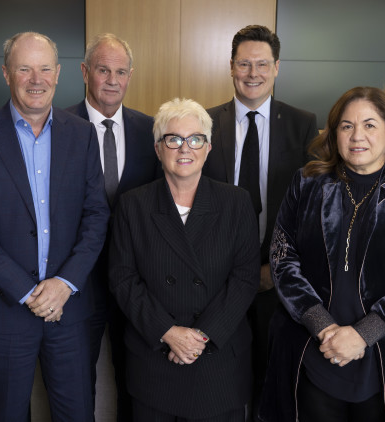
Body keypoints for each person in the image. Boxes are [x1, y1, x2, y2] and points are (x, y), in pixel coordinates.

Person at [258, 87, 385, 422]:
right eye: (346, 126)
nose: (357, 135)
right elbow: (282, 258)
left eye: (370, 125)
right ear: (335, 134)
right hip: (315, 348)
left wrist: (364, 333)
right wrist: (323, 327)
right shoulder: (307, 183)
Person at [0, 31, 110, 421]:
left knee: (77, 414)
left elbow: (96, 215)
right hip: (4, 311)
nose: (36, 79)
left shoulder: (82, 134)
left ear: (58, 73)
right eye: (24, 69)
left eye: (44, 69)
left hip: (68, 310)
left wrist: (64, 283)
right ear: (7, 73)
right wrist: (27, 291)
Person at [109, 98, 260, 421]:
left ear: (208, 148)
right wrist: (168, 332)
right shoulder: (133, 205)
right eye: (173, 139)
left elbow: (245, 278)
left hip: (217, 359)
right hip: (155, 359)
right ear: (158, 149)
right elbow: (123, 279)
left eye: (195, 139)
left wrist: (201, 336)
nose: (184, 148)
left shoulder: (236, 203)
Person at [201, 24, 317, 416]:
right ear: (231, 67)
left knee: (272, 383)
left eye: (262, 64)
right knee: (220, 382)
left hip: (276, 282)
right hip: (216, 282)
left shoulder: (302, 124)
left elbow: (310, 210)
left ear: (277, 67)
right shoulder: (204, 123)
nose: (253, 73)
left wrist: (276, 269)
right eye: (244, 64)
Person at [65, 33, 160, 421]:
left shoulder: (150, 130)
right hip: (76, 279)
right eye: (103, 70)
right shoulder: (57, 126)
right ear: (85, 71)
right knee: (74, 379)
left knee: (134, 376)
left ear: (130, 76)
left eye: (120, 72)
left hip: (135, 279)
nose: (112, 80)